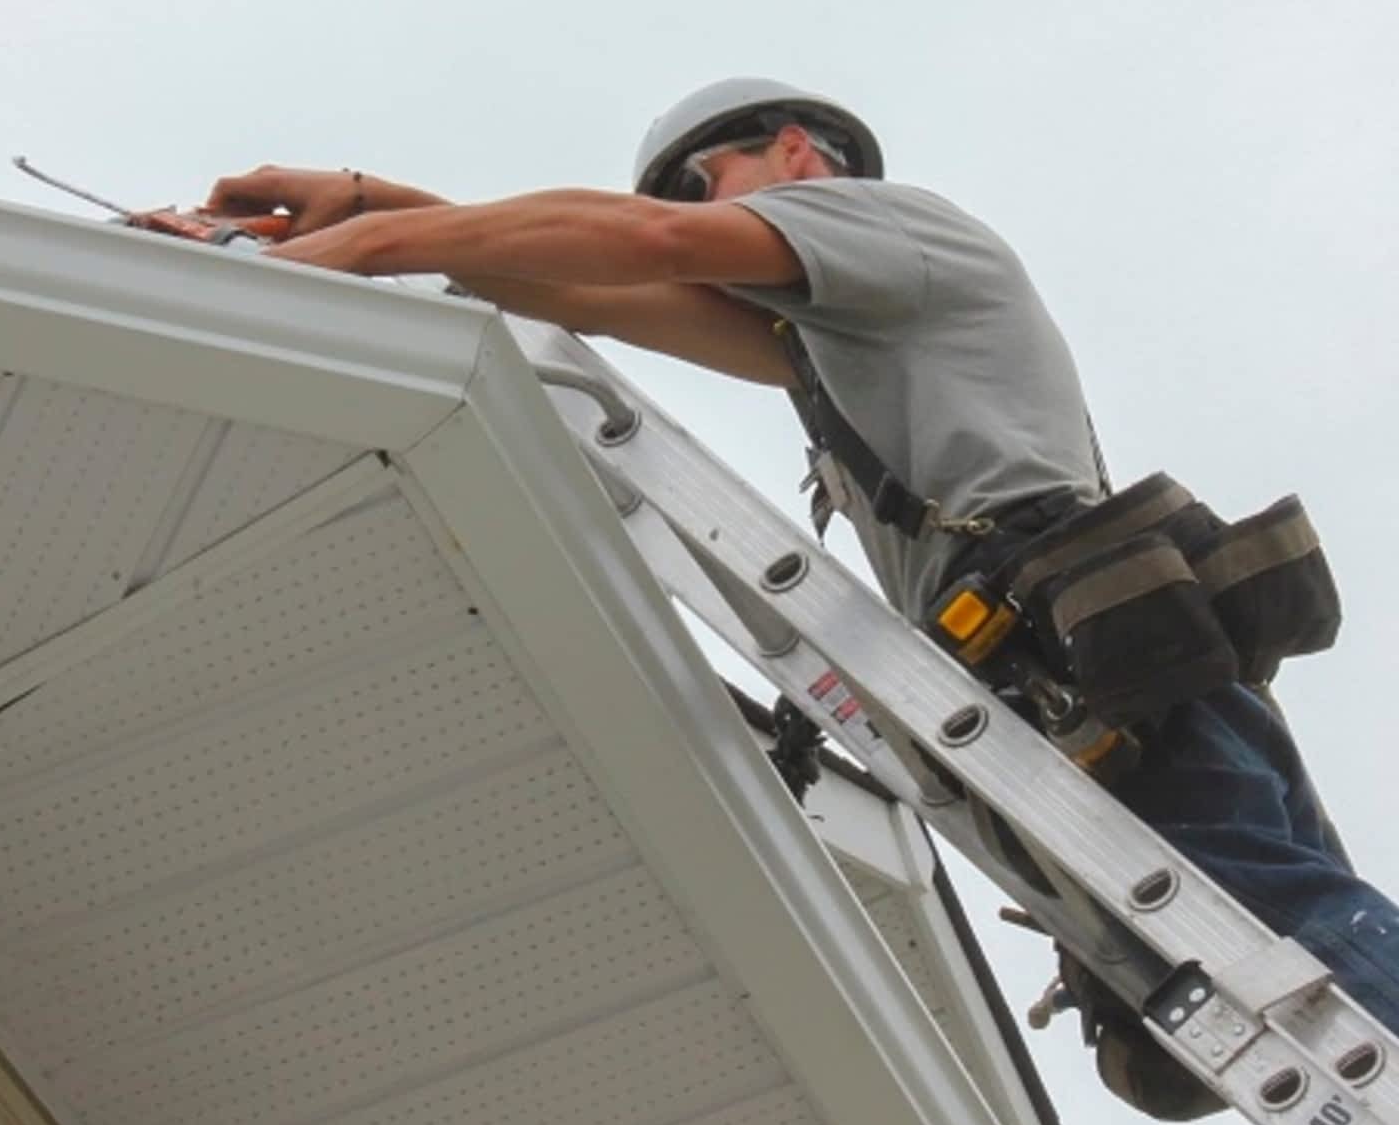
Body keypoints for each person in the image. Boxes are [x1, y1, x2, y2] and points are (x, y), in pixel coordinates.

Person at [206, 78, 1399, 1067]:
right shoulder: (840, 339)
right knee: (1281, 946)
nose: (685, 213)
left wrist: (361, 237)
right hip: (1104, 675)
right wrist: (364, 213)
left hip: (1089, 666)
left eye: (698, 181)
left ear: (790, 151)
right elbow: (595, 291)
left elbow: (647, 247)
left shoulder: (886, 224)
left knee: (1285, 937)